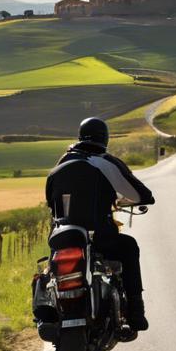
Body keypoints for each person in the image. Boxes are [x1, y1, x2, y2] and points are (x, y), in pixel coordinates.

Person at [45, 117, 155, 330]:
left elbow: (52, 203)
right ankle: (135, 312)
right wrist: (119, 201)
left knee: (50, 269)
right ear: (105, 138)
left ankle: (48, 310)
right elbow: (142, 195)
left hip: (63, 239)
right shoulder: (103, 161)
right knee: (129, 248)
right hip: (100, 238)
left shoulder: (59, 166)